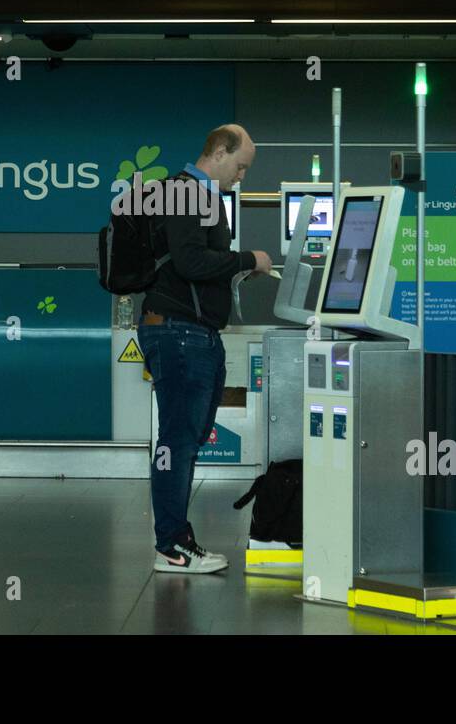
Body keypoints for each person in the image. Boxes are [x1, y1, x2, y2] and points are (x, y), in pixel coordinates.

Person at [138, 124, 272, 573]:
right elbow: (191, 261)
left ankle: (176, 539)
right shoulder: (187, 193)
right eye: (240, 166)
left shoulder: (196, 196)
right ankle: (171, 546)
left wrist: (236, 269)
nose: (241, 176)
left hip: (191, 333)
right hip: (178, 334)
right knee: (178, 441)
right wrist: (248, 259)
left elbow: (193, 263)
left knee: (186, 439)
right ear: (218, 152)